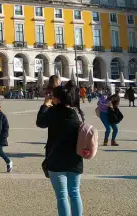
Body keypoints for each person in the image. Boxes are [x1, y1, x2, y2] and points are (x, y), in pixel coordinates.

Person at [37, 82, 84, 216]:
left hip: (56, 158)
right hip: (75, 158)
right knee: (75, 193)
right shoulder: (77, 112)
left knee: (62, 196)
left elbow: (40, 122)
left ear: (57, 98)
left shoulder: (53, 111)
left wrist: (45, 105)